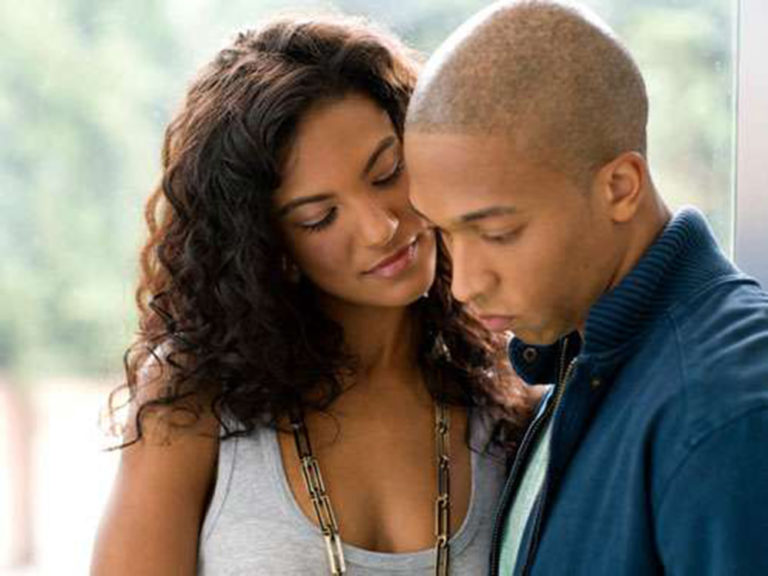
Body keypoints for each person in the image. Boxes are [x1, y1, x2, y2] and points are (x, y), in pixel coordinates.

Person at [91, 15, 540, 576]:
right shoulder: (193, 402)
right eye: (320, 217)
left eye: (387, 172)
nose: (380, 227)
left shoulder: (504, 397)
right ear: (267, 246)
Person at [403, 1, 768, 575]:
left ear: (620, 186)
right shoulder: (584, 355)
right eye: (443, 232)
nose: (466, 282)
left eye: (498, 233)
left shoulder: (726, 416)